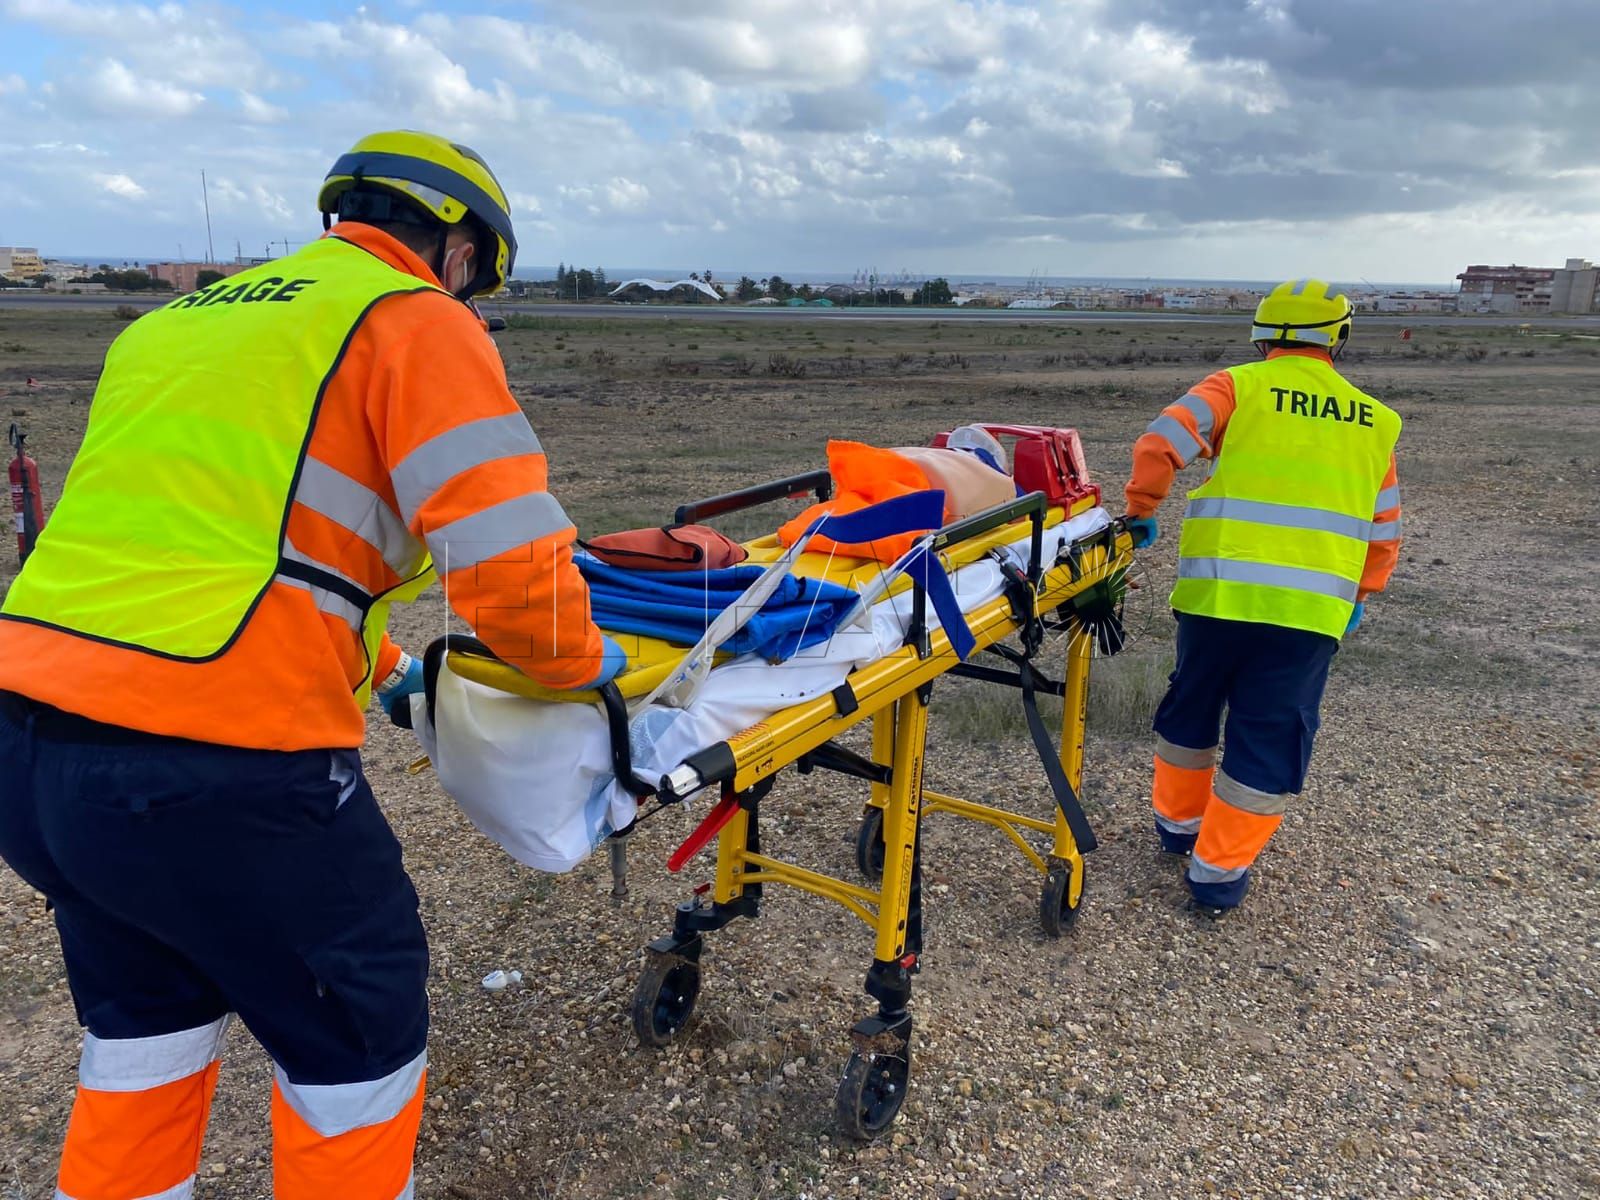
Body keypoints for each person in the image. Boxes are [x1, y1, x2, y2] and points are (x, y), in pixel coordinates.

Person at [0, 130, 623, 1200]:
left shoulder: (168, 332)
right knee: (357, 1043)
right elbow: (515, 581)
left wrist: (382, 667)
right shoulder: (409, 317)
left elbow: (212, 552)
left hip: (32, 746)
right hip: (218, 767)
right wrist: (592, 673)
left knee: (144, 1032)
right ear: (460, 247)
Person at [1122, 278, 1402, 918]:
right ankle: (1216, 875)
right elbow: (1384, 526)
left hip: (1215, 598)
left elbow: (1160, 442)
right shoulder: (1376, 421)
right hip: (1308, 615)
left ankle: (1176, 828)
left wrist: (1142, 509)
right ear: (1339, 336)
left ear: (1262, 332)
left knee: (1191, 708)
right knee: (1270, 731)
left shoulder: (1236, 386)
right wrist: (1362, 591)